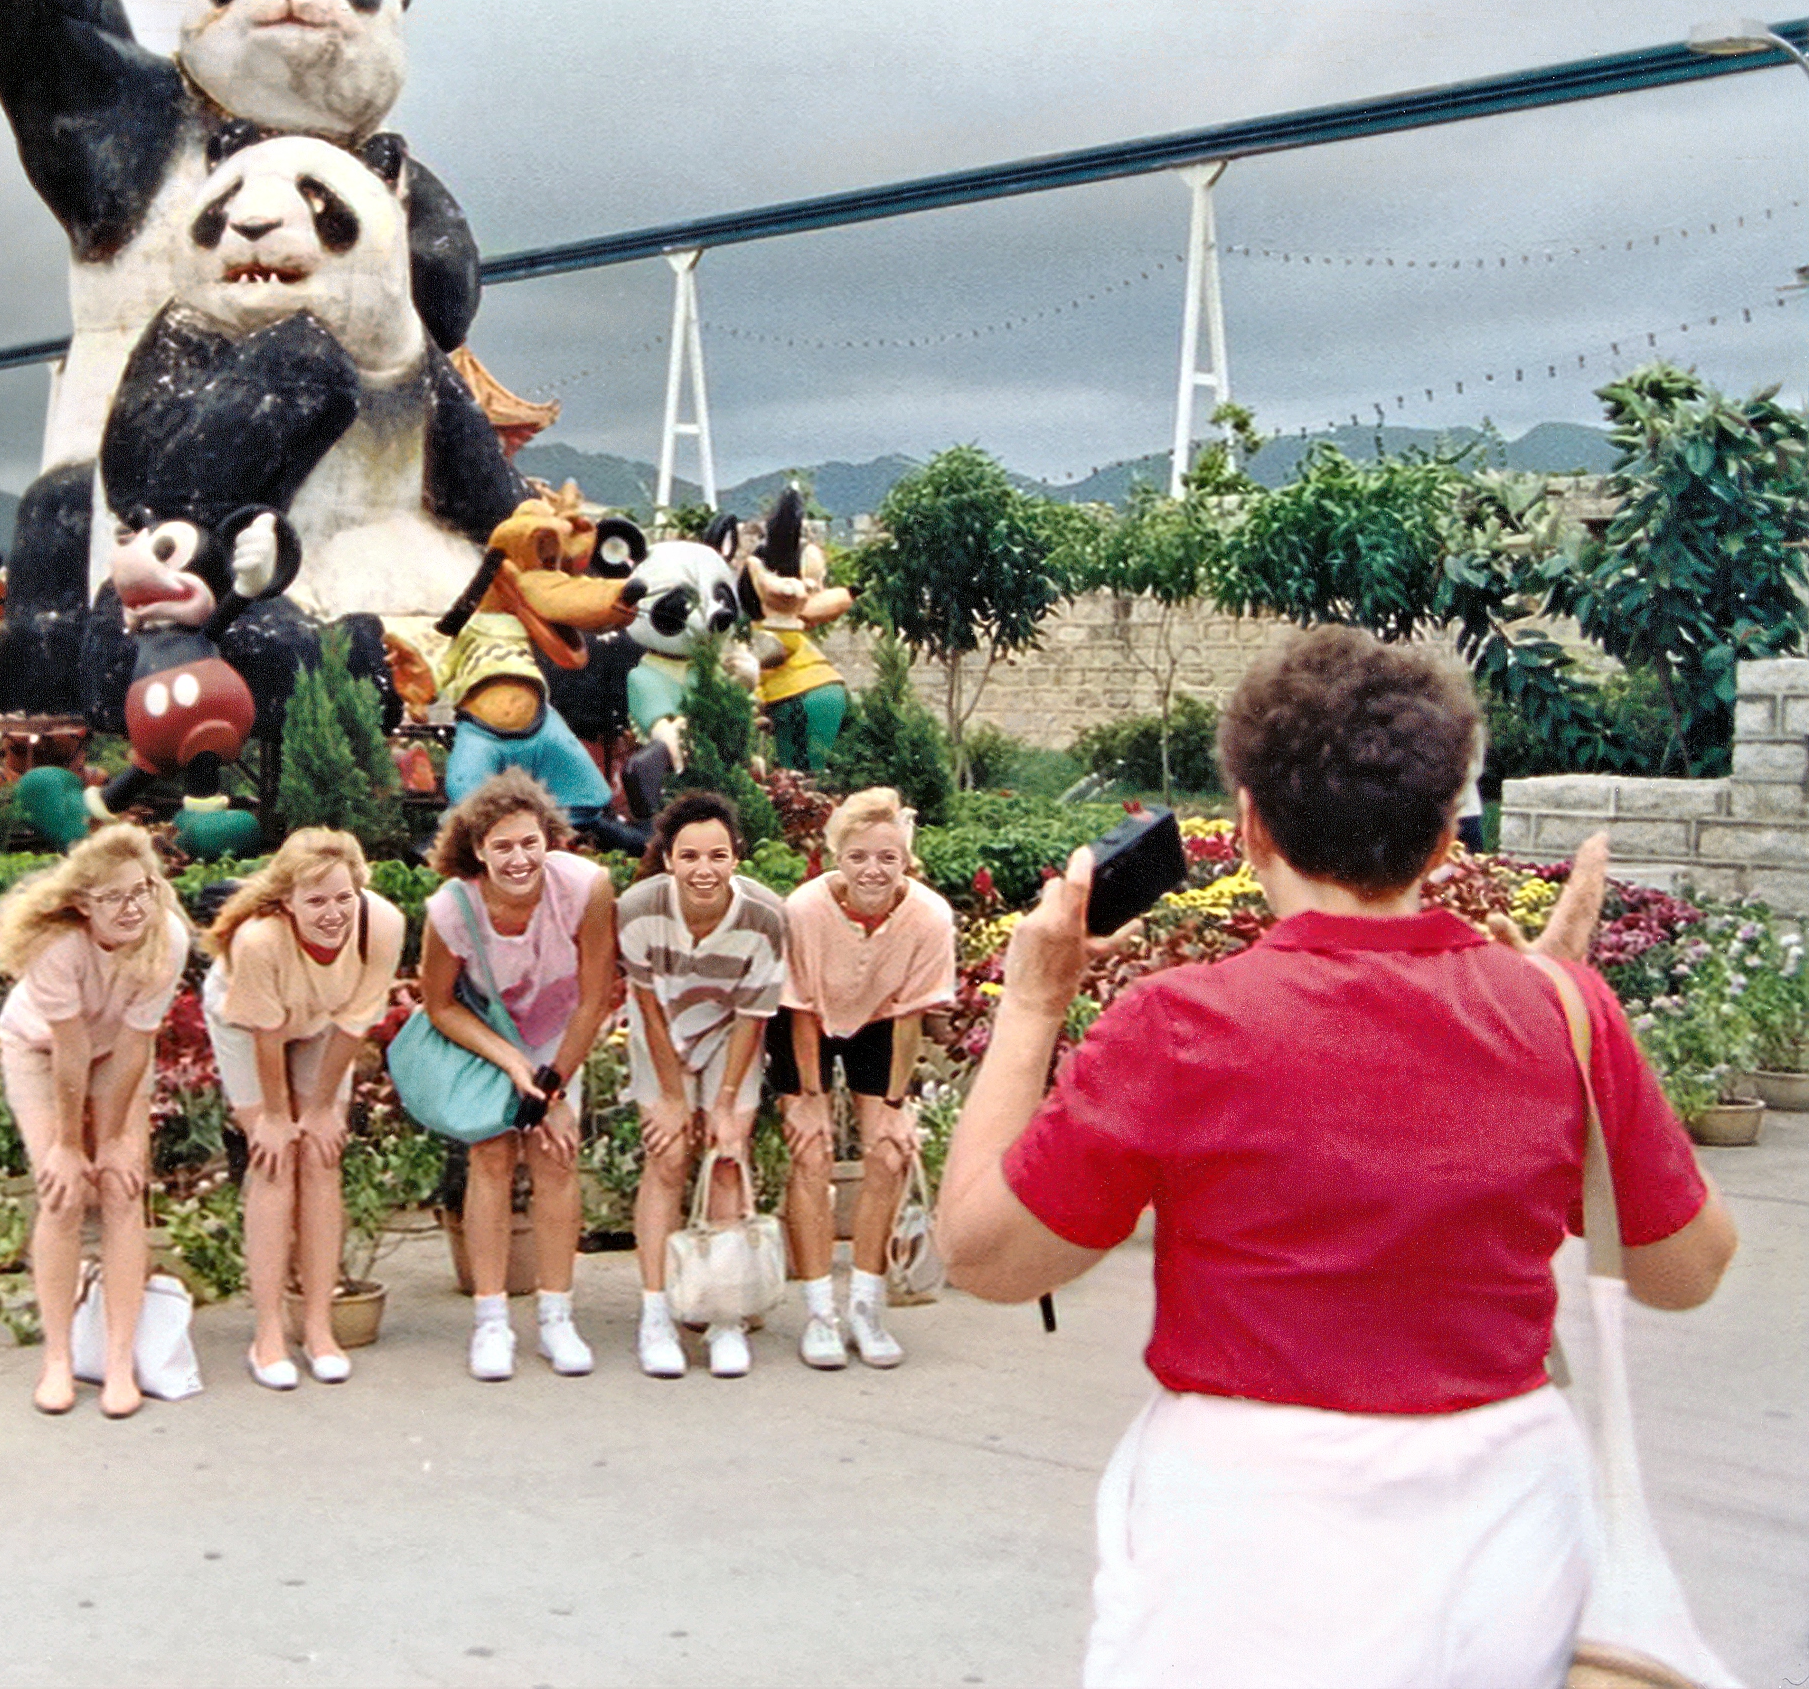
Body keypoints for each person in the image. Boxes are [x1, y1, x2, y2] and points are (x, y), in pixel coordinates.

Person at [937, 628, 1737, 1688]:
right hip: (1501, 1548)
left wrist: (1034, 999)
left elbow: (985, 1253)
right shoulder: (1557, 1012)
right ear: (1448, 831)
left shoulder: (1181, 1025)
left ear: (1251, 822)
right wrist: (1561, 1033)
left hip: (1242, 1546)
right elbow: (1687, 1269)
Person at [418, 771, 621, 1381]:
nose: (518, 858)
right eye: (502, 846)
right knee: (491, 1157)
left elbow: (595, 997)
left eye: (529, 842)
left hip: (561, 1030)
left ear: (548, 840)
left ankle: (556, 1317)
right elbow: (439, 1004)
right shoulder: (451, 909)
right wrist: (512, 1064)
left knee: (557, 1154)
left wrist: (554, 1085)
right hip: (490, 1031)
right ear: (477, 850)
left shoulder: (587, 888)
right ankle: (491, 1321)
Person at [0, 823, 193, 1419]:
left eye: (143, 891)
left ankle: (120, 1363)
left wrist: (117, 1143)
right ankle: (58, 1359)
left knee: (124, 1188)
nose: (132, 908)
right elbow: (70, 1051)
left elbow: (133, 1048)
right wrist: (72, 1149)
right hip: (42, 1052)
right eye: (112, 898)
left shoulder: (167, 939)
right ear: (83, 904)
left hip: (116, 1055)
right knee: (63, 1194)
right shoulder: (59, 948)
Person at [201, 828, 408, 1389]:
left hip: (323, 1018)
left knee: (321, 1153)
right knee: (276, 1159)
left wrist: (319, 1110)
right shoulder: (259, 940)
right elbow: (265, 1034)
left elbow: (353, 1021)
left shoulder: (381, 924)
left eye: (343, 897)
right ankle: (267, 1334)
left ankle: (318, 1327)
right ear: (286, 901)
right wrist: (273, 1118)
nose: (333, 912)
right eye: (315, 901)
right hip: (247, 1023)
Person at [771, 787, 956, 1370]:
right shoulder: (803, 909)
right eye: (858, 858)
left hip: (883, 1020)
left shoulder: (930, 917)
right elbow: (798, 1007)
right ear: (835, 858)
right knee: (812, 1153)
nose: (873, 870)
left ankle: (867, 1306)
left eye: (887, 858)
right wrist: (806, 1101)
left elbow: (910, 1016)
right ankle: (820, 1311)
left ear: (907, 860)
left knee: (888, 1154)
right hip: (806, 1020)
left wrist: (896, 1106)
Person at [618, 791, 788, 1378]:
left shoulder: (766, 917)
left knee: (725, 1154)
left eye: (717, 855)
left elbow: (752, 1017)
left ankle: (724, 1316)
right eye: (689, 856)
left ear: (736, 856)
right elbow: (646, 1004)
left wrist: (721, 1105)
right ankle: (656, 1314)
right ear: (668, 859)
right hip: (661, 1031)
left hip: (729, 1036)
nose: (704, 869)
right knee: (665, 1159)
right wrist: (671, 1097)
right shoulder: (637, 908)